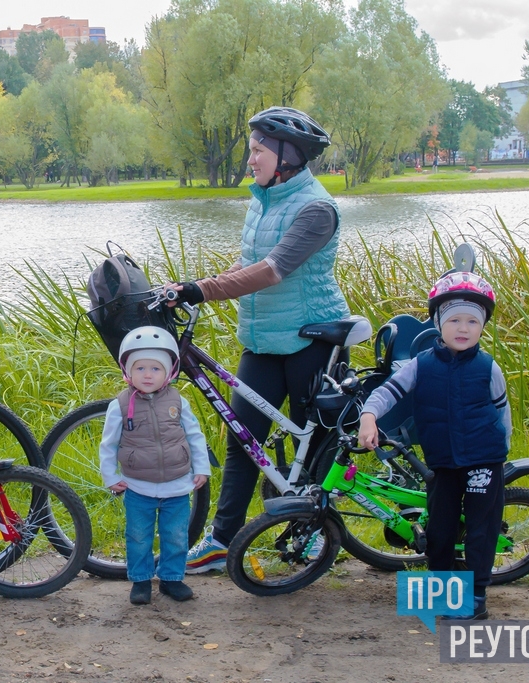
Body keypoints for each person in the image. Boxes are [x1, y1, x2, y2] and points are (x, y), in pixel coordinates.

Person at [168, 107, 350, 573]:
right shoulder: (263, 200)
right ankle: (220, 541)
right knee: (244, 438)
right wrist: (193, 286)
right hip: (264, 339)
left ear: (288, 155)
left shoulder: (316, 209)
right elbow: (248, 263)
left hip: (312, 338)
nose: (250, 160)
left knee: (313, 442)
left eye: (257, 151)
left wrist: (201, 290)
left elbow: (271, 271)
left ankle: (314, 533)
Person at [358, 272, 509, 620]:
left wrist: (502, 451)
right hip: (442, 461)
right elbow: (385, 393)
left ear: (482, 327)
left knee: (481, 530)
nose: (463, 328)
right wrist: (368, 416)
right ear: (439, 323)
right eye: (454, 320)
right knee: (440, 530)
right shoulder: (420, 365)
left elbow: (503, 414)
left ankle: (476, 596)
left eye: (472, 321)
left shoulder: (489, 367)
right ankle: (442, 590)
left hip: (484, 460)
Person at [99, 327, 211, 604]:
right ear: (128, 370)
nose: (147, 375)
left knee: (176, 536)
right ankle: (140, 581)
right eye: (140, 368)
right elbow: (108, 444)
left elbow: (195, 436)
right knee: (138, 537)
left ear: (169, 372)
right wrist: (110, 476)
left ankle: (172, 579)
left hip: (177, 486)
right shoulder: (120, 405)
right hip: (138, 487)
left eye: (155, 368)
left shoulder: (178, 401)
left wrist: (201, 468)